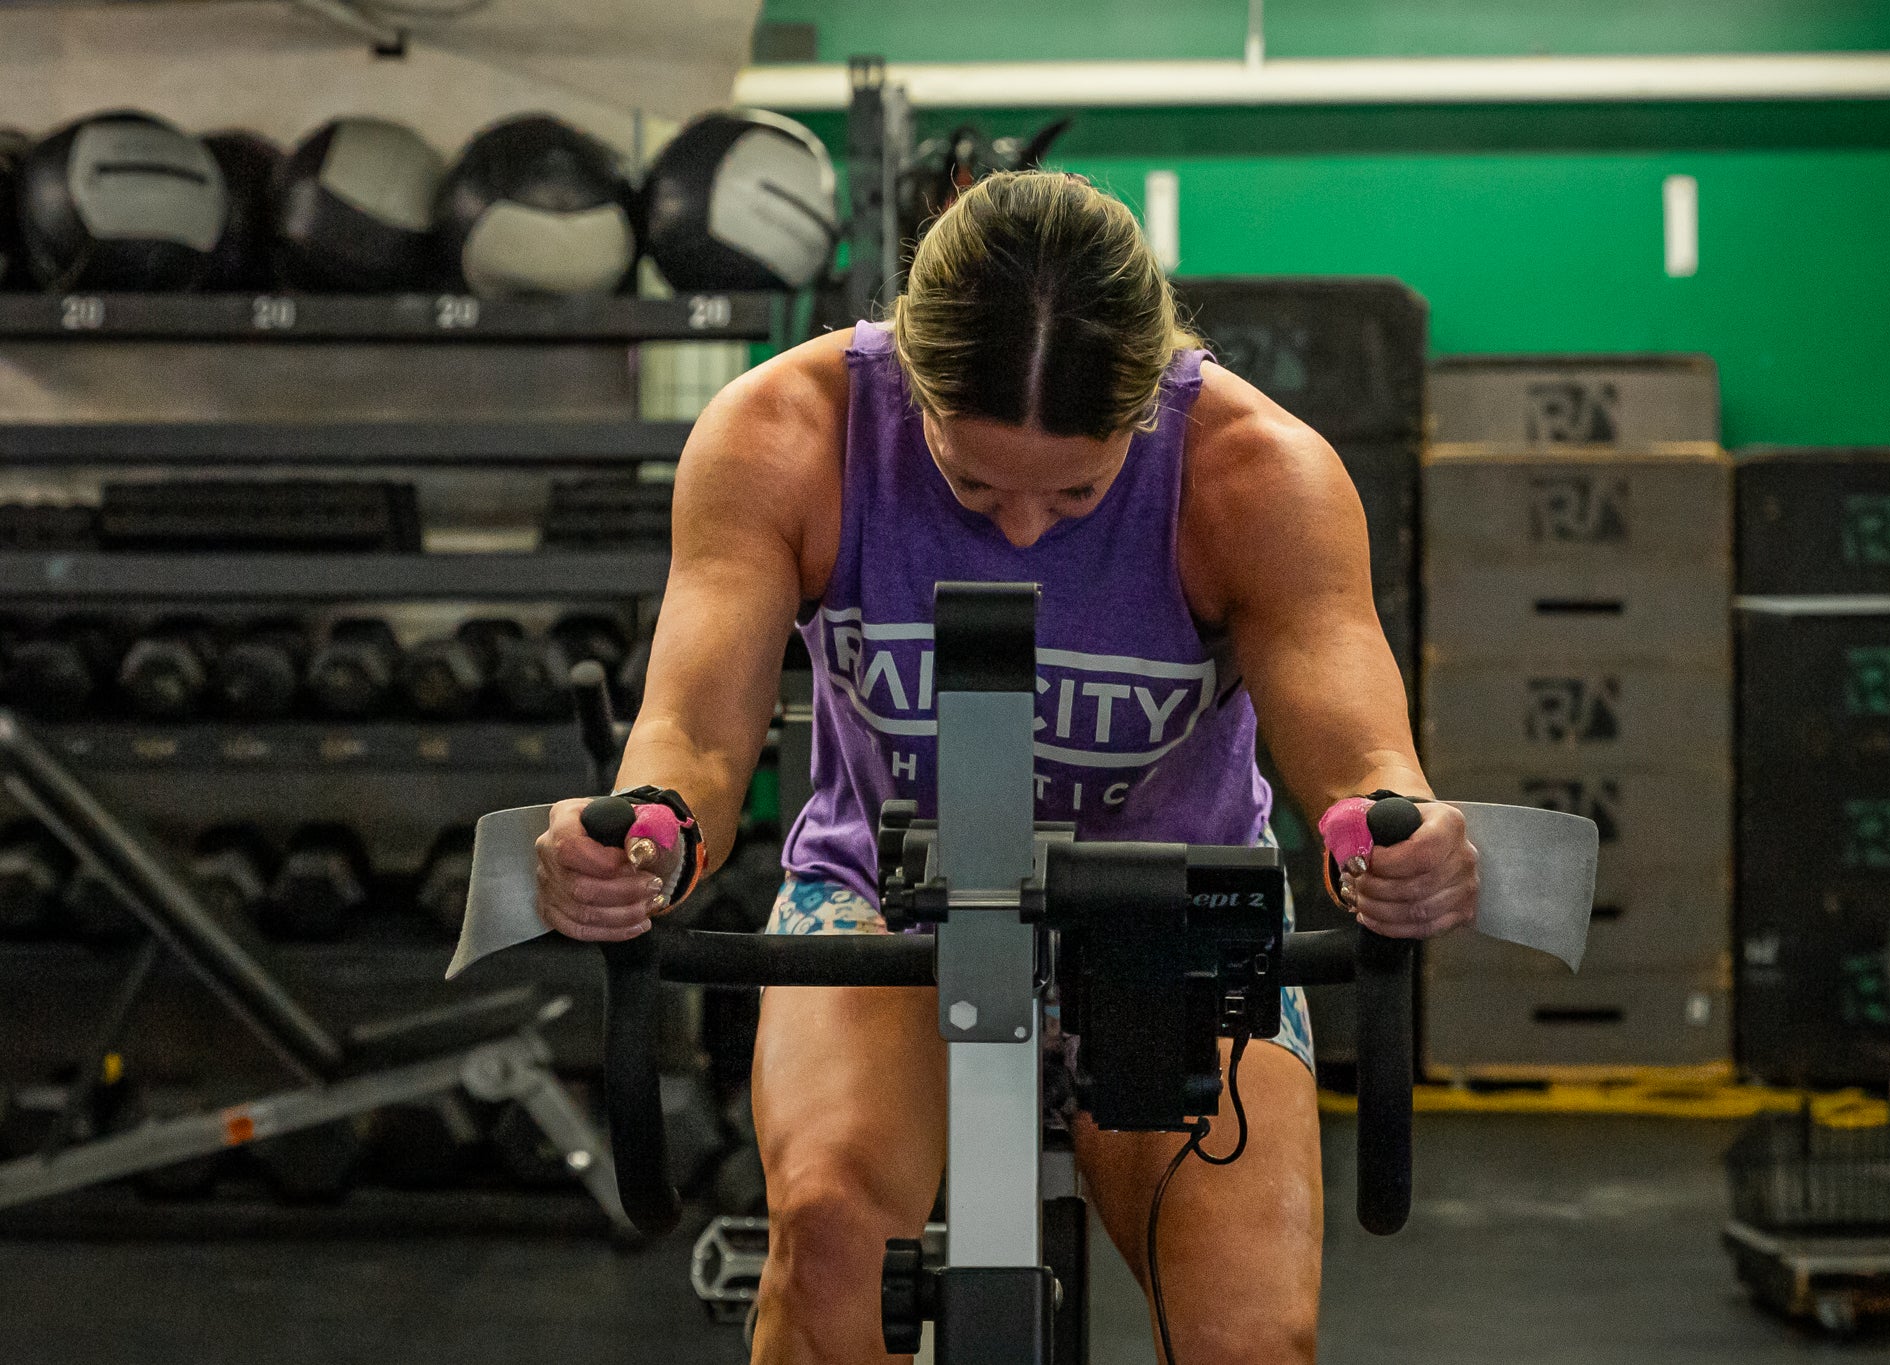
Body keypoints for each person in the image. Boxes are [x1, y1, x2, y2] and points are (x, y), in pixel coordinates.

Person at [534, 171, 1478, 1364]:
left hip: (1170, 912)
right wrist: (647, 835)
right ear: (912, 388)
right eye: (972, 483)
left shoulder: (1255, 474)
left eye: (1075, 492)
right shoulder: (786, 432)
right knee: (829, 1239)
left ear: (1143, 412)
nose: (1022, 530)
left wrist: (1394, 841)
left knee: (1247, 1335)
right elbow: (697, 738)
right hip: (880, 898)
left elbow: (1361, 765)